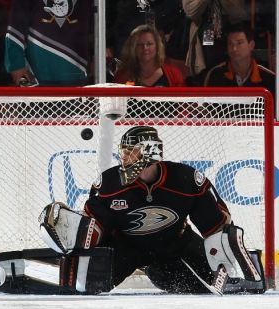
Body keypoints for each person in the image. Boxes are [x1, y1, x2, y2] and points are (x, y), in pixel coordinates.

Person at [79, 126, 264, 294]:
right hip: (126, 247)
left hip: (176, 244)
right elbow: (93, 226)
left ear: (149, 152)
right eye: (124, 152)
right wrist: (80, 237)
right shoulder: (109, 183)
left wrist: (229, 255)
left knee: (217, 286)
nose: (125, 158)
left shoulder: (185, 179)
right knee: (84, 286)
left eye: (131, 152)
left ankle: (158, 271)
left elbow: (216, 226)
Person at [4, 0, 94, 86]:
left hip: (78, 76)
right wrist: (18, 71)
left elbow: (95, 28)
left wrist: (97, 61)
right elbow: (15, 31)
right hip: (37, 78)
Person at [204, 23, 275, 96]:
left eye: (239, 43)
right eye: (230, 44)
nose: (234, 49)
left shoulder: (268, 77)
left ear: (251, 45)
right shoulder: (215, 74)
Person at [113, 24, 185, 87]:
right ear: (133, 48)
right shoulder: (121, 76)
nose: (145, 48)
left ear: (157, 47)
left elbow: (184, 101)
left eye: (149, 44)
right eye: (139, 44)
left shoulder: (174, 74)